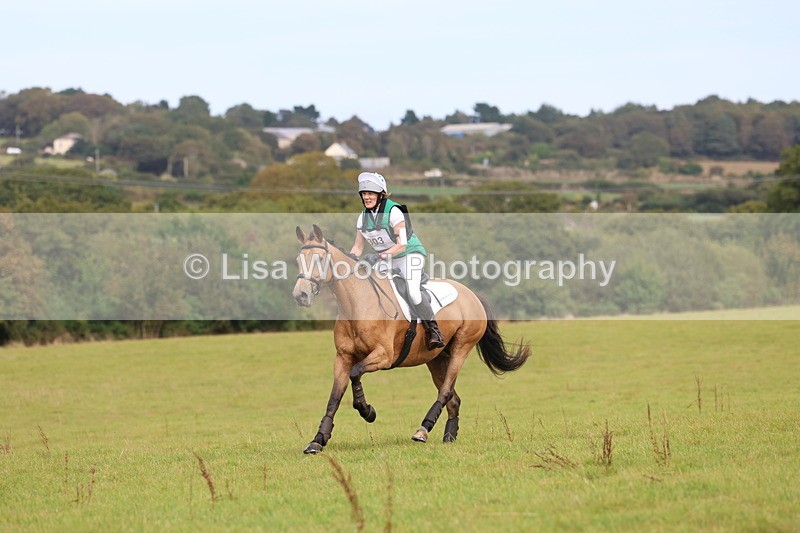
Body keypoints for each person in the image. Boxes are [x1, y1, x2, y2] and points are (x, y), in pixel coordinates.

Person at [349, 171, 446, 350]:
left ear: (380, 195)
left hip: (409, 254)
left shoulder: (394, 211)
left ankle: (433, 330)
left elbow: (401, 245)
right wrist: (349, 261)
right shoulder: (362, 217)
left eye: (370, 193)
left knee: (413, 292)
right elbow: (357, 247)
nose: (366, 197)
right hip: (387, 258)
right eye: (364, 194)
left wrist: (378, 256)